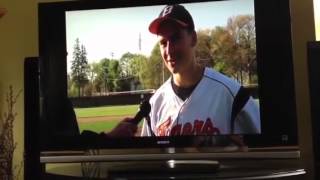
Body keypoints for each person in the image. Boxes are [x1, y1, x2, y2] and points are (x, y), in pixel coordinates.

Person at [140, 4, 260, 137]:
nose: (169, 50)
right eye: (163, 43)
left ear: (193, 38)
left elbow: (266, 148)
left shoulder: (232, 95)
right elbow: (149, 155)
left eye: (176, 38)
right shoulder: (155, 103)